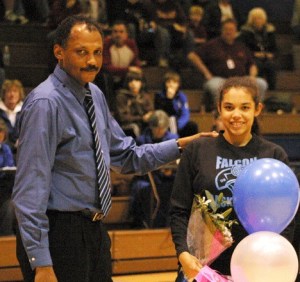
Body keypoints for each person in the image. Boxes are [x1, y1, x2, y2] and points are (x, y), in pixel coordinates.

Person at [11, 15, 217, 282]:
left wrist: (180, 146)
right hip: (57, 235)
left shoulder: (93, 95)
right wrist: (40, 262)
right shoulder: (45, 103)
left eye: (97, 52)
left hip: (94, 230)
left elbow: (127, 156)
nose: (92, 61)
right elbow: (29, 191)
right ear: (58, 52)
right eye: (82, 52)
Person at [169, 76, 295, 281]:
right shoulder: (197, 151)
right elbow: (178, 210)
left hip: (256, 270)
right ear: (219, 108)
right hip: (203, 269)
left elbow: (288, 218)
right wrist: (183, 253)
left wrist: (274, 260)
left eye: (245, 107)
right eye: (229, 107)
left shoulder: (274, 155)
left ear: (257, 109)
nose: (236, 115)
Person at [188, 18, 268, 112]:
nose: (229, 32)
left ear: (236, 32)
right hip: (219, 79)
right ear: (222, 30)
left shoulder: (241, 46)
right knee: (215, 86)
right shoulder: (212, 44)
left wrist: (252, 76)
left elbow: (252, 65)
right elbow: (192, 56)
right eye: (226, 29)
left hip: (240, 79)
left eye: (231, 30)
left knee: (261, 84)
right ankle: (221, 113)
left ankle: (253, 111)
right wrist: (206, 73)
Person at [130, 110, 178, 228]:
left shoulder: (173, 138)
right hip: (147, 178)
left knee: (176, 188)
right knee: (140, 188)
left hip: (167, 179)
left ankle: (171, 224)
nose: (159, 131)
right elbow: (137, 163)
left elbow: (178, 161)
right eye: (157, 128)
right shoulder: (141, 140)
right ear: (151, 127)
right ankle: (142, 223)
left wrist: (170, 171)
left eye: (162, 128)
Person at [98, 20, 142, 111]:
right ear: (111, 34)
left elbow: (136, 61)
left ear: (126, 34)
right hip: (110, 78)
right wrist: (128, 69)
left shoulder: (131, 44)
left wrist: (137, 68)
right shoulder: (106, 43)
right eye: (115, 32)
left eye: (121, 32)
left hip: (125, 78)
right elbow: (106, 67)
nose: (118, 35)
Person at [238, 7, 278, 90]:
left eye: (260, 18)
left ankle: (272, 90)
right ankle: (256, 88)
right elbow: (243, 48)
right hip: (252, 57)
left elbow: (275, 48)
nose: (258, 20)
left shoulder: (270, 32)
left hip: (267, 57)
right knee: (257, 64)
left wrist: (271, 54)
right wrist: (254, 54)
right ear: (251, 20)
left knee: (270, 65)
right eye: (255, 18)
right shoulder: (245, 33)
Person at [154, 71, 199, 137]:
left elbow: (185, 113)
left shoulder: (181, 96)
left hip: (178, 123)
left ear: (178, 84)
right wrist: (169, 99)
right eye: (168, 82)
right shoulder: (159, 96)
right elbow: (164, 113)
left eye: (174, 82)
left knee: (192, 126)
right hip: (165, 123)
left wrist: (179, 125)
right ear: (165, 84)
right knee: (171, 121)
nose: (171, 85)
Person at [115, 70, 153, 138]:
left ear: (141, 83)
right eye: (130, 81)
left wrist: (150, 114)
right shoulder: (121, 96)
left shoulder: (145, 95)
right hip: (128, 125)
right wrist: (141, 118)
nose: (134, 84)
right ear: (127, 83)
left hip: (145, 123)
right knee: (134, 127)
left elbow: (151, 110)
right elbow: (122, 118)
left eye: (137, 80)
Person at [0, 118, 16, 236]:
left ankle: (7, 242)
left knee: (11, 206)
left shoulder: (5, 149)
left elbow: (9, 166)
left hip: (4, 190)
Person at [0, 79, 24, 152]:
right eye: (9, 91)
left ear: (20, 95)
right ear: (3, 94)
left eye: (15, 91)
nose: (12, 94)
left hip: (22, 150)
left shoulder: (25, 111)